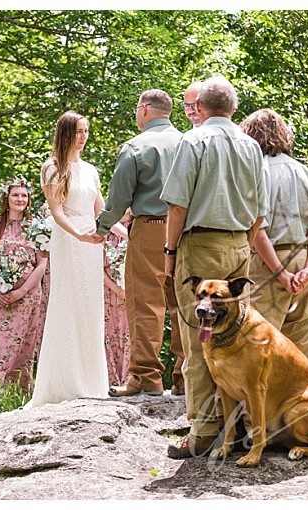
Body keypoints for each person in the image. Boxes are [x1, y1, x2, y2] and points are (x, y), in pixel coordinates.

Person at [162, 75, 271, 458]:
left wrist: (170, 252)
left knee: (200, 339)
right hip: (240, 243)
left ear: (202, 108)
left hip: (201, 243)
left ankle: (206, 430)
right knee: (236, 337)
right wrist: (245, 240)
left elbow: (176, 205)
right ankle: (239, 427)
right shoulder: (251, 145)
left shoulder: (192, 141)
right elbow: (261, 209)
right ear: (234, 109)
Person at [24, 110, 113, 408]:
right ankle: (66, 382)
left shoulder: (90, 169)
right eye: (78, 132)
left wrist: (126, 232)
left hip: (91, 242)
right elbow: (57, 212)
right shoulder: (51, 167)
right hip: (69, 240)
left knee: (90, 306)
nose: (83, 137)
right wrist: (79, 235)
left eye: (86, 131)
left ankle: (93, 382)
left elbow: (101, 210)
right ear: (65, 134)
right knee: (68, 304)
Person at [97, 89, 182, 397]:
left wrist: (102, 227)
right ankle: (186, 378)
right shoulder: (189, 143)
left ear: (145, 110)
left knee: (146, 303)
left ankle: (146, 378)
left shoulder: (136, 147)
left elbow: (118, 197)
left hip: (151, 229)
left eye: (137, 108)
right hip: (187, 232)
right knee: (183, 302)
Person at [241, 108, 308, 382]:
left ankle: (257, 419)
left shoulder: (255, 174)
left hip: (268, 266)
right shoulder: (306, 173)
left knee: (258, 343)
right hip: (304, 261)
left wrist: (280, 273)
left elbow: (258, 231)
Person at [0, 178, 49, 390]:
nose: (20, 199)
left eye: (24, 195)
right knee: (1, 346)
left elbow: (42, 263)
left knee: (25, 347)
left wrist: (22, 291)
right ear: (6, 199)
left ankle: (22, 394)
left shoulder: (36, 226)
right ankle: (0, 394)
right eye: (15, 195)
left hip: (28, 297)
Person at [102, 214, 131, 387]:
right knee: (109, 334)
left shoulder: (137, 227)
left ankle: (130, 379)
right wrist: (118, 290)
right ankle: (110, 381)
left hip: (134, 292)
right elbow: (97, 266)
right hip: (109, 293)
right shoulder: (105, 229)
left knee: (131, 335)